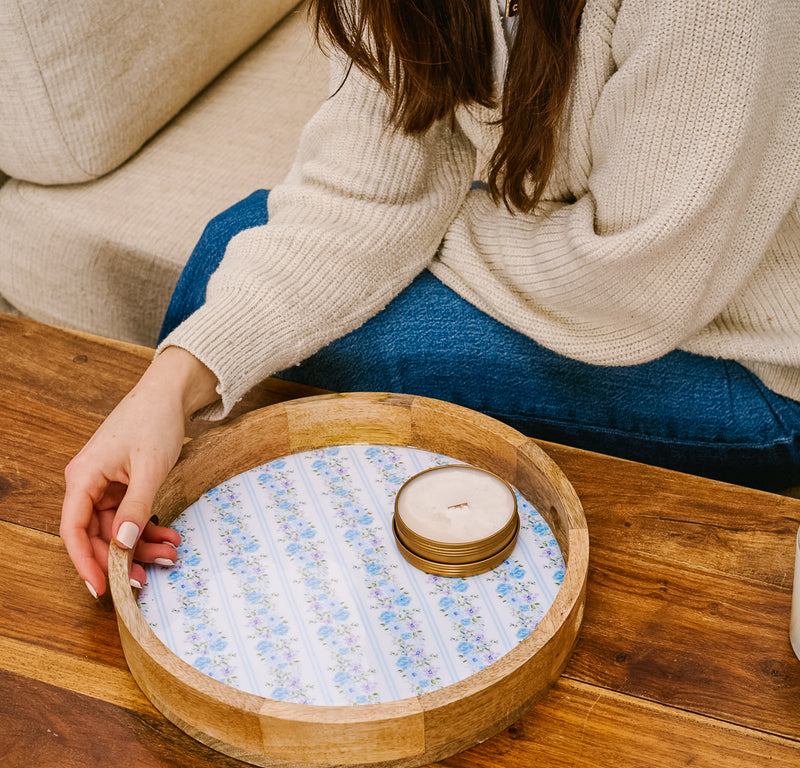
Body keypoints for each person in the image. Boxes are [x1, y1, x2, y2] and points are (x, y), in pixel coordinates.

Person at [60, 0, 800, 597]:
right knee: (237, 253)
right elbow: (363, 181)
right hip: (623, 275)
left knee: (307, 326)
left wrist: (425, 221)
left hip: (749, 353)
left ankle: (236, 593)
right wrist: (167, 387)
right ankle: (212, 584)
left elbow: (637, 280)